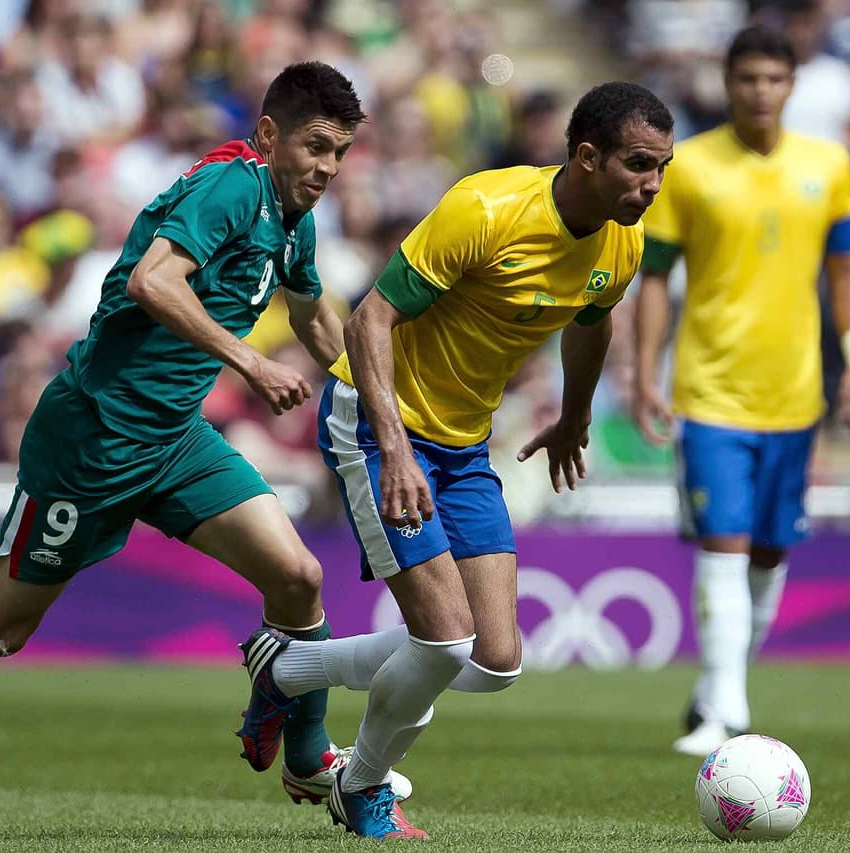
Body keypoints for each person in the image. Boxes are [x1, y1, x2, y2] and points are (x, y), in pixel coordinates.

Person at [0, 61, 405, 818]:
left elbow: (314, 315)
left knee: (297, 577)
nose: (327, 167)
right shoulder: (231, 188)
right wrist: (250, 361)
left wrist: (385, 401)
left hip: (174, 438)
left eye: (339, 153)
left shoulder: (294, 218)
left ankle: (307, 758)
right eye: (316, 146)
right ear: (268, 135)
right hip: (94, 438)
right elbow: (152, 283)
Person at [235, 81, 675, 839]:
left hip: (464, 442)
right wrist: (395, 446)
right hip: (375, 421)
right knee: (442, 640)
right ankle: (361, 785)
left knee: (496, 659)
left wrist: (574, 415)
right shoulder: (486, 209)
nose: (654, 183)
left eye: (663, 167)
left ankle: (284, 670)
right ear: (586, 156)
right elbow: (370, 321)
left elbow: (591, 323)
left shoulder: (622, 243)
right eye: (639, 164)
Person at [630, 26, 850, 758]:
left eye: (774, 79)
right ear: (728, 83)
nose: (760, 91)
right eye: (748, 78)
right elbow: (654, 277)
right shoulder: (690, 167)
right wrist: (644, 373)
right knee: (725, 543)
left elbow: (848, 270)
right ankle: (726, 714)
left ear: (792, 85)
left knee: (768, 555)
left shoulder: (827, 165)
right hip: (710, 390)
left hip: (794, 393)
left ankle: (717, 688)